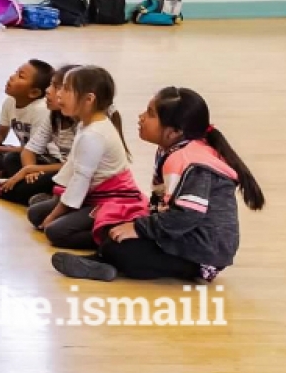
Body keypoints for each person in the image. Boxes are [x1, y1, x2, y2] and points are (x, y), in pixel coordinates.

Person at [52, 87, 265, 283]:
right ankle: (103, 259)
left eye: (151, 114)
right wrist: (137, 226)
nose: (141, 117)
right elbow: (164, 204)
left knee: (123, 249)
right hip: (179, 235)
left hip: (200, 254)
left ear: (174, 132)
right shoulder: (172, 150)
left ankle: (105, 262)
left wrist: (139, 228)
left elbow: (187, 216)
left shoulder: (194, 164)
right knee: (113, 230)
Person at [27, 66, 144, 250]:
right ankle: (77, 215)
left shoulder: (93, 135)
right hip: (91, 195)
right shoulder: (86, 125)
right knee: (35, 214)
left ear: (89, 99)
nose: (59, 95)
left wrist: (54, 215)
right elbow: (71, 169)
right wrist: (58, 202)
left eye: (66, 89)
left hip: (112, 200)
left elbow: (80, 182)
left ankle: (109, 234)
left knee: (55, 232)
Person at [0, 64, 78, 204]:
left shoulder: (84, 126)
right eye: (50, 85)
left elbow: (75, 167)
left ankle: (2, 188)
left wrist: (30, 170)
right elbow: (28, 150)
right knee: (12, 159)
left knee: (42, 200)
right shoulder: (54, 116)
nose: (48, 91)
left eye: (56, 87)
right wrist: (30, 171)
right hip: (54, 166)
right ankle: (35, 193)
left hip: (74, 175)